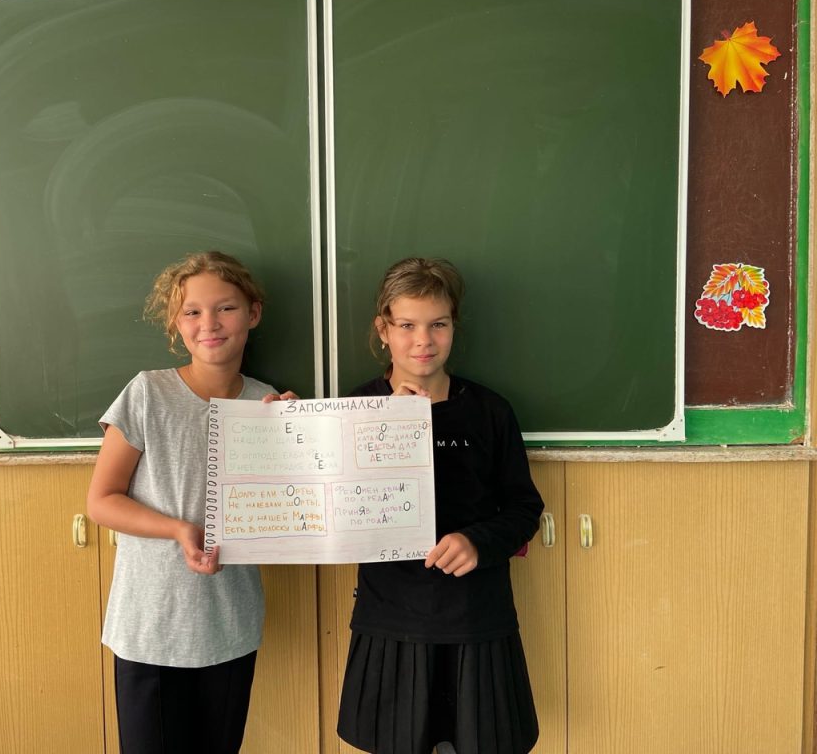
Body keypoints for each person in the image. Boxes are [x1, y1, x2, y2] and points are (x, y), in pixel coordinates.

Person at [87, 251, 294, 754]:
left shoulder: (267, 403)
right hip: (150, 625)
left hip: (229, 623)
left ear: (253, 313)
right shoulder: (147, 393)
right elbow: (102, 501)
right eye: (192, 312)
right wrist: (179, 529)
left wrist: (299, 434)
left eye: (226, 308)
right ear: (176, 324)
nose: (209, 324)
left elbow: (288, 511)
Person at [337, 257, 543, 754]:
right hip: (392, 616)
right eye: (406, 325)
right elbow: (327, 507)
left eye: (438, 324)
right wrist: (281, 432)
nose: (423, 340)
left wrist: (478, 541)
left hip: (475, 614)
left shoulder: (489, 411)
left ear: (454, 327)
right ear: (383, 330)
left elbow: (524, 506)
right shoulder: (353, 411)